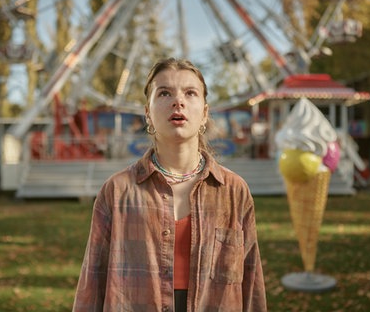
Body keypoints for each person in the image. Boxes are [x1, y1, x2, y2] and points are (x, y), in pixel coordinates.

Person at [72, 57, 268, 311]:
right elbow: (92, 283)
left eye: (190, 93)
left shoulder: (234, 191)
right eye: (164, 93)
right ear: (148, 113)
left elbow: (251, 284)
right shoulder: (117, 191)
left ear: (205, 113)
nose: (178, 101)